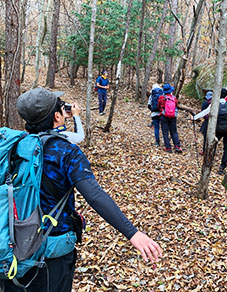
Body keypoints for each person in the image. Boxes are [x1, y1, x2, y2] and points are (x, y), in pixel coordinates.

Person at [0, 87, 162, 292]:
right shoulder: (66, 152)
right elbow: (94, 195)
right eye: (60, 108)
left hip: (13, 247)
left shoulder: (15, 146)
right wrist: (133, 233)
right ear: (57, 116)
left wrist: (59, 119)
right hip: (50, 256)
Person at [192, 88, 227, 175]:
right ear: (226, 95)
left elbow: (205, 112)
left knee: (213, 145)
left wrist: (194, 117)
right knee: (226, 148)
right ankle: (222, 167)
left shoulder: (214, 104)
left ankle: (210, 163)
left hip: (217, 128)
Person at [158, 83, 182, 153]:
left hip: (164, 116)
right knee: (174, 131)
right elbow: (176, 106)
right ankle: (177, 146)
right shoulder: (174, 98)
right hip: (173, 116)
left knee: (165, 132)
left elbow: (158, 106)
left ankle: (168, 148)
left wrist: (162, 111)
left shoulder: (161, 97)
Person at [198, 91, 213, 155]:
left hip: (207, 122)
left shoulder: (205, 103)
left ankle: (205, 151)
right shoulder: (217, 103)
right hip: (215, 122)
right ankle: (211, 151)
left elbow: (202, 112)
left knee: (205, 137)